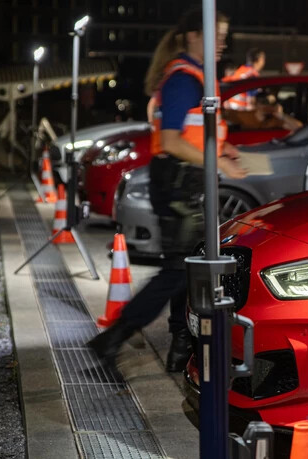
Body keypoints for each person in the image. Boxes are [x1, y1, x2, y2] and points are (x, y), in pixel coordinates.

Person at [89, 7, 247, 374]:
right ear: (193, 36)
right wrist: (218, 162)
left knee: (186, 267)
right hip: (179, 186)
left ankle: (176, 345)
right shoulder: (183, 80)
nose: (222, 43)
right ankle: (114, 338)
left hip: (184, 183)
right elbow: (173, 141)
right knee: (180, 271)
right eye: (215, 34)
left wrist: (224, 149)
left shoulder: (194, 76)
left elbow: (193, 132)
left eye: (225, 35)